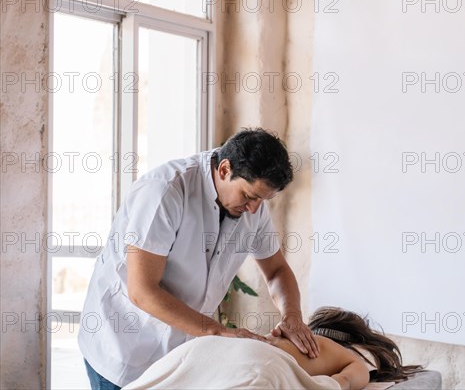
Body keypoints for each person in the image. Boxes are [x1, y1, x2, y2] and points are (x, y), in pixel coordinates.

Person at [78, 128, 319, 389]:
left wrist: (292, 315)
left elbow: (276, 271)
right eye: (249, 196)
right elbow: (142, 291)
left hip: (182, 352)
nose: (254, 208)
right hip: (124, 343)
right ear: (225, 170)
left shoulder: (254, 209)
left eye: (263, 199)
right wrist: (218, 331)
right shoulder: (164, 191)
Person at [124, 307, 426, 390]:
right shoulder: (349, 356)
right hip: (257, 363)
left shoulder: (287, 334)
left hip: (204, 349)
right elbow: (346, 381)